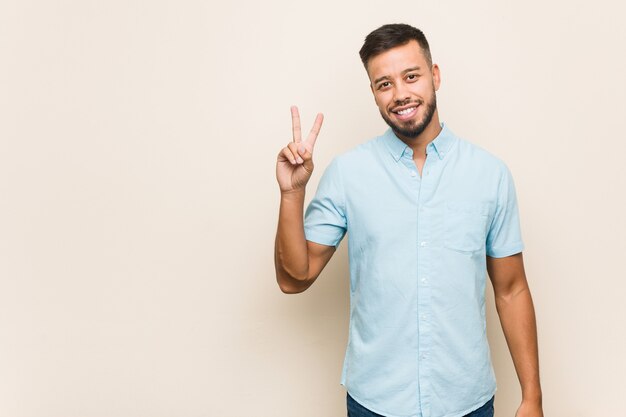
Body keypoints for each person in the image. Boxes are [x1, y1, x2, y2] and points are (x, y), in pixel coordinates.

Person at [274, 23, 543, 417]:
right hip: (375, 403)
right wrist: (292, 193)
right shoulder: (348, 173)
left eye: (411, 76)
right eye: (384, 84)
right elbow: (292, 278)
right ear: (373, 94)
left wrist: (532, 397)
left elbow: (512, 289)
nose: (400, 94)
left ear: (435, 76)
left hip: (467, 401)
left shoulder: (490, 174)